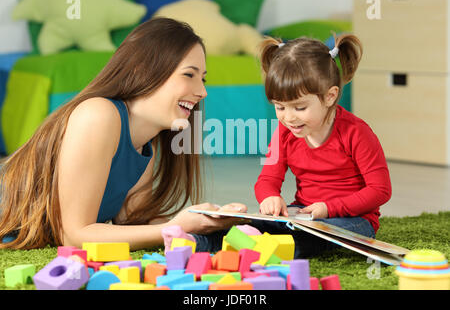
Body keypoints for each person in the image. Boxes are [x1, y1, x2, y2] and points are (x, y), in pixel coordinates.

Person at [0, 17, 246, 250]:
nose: (202, 91)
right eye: (189, 75)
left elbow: (134, 221)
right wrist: (173, 228)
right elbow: (74, 235)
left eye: (202, 79)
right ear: (142, 70)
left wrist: (204, 221)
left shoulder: (143, 143)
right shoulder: (98, 114)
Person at [192, 33, 392, 258]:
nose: (288, 118)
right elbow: (268, 179)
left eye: (299, 108)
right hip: (303, 215)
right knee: (256, 226)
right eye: (280, 107)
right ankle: (198, 242)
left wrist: (328, 209)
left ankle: (276, 250)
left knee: (313, 238)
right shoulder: (285, 133)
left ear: (330, 96)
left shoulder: (356, 133)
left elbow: (380, 190)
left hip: (353, 220)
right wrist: (269, 197)